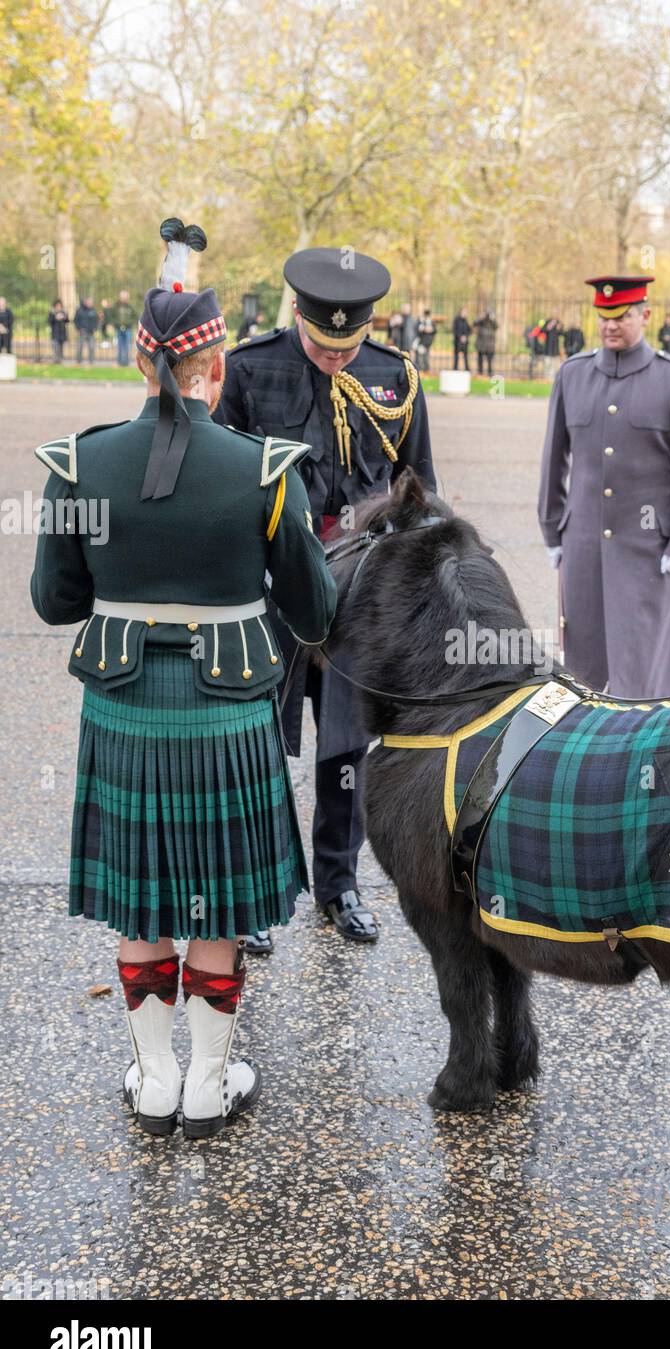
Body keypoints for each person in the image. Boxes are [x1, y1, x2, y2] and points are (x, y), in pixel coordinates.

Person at [30, 220, 337, 1138]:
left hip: (124, 708)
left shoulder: (78, 463)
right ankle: (210, 1082)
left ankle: (153, 1077)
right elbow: (315, 615)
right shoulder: (266, 470)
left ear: (139, 362)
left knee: (138, 890)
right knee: (214, 896)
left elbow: (55, 601)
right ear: (212, 370)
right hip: (228, 712)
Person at [214, 247, 436, 945]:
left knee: (346, 754)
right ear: (298, 320)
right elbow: (220, 477)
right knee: (256, 748)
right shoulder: (252, 369)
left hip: (358, 604)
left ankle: (338, 887)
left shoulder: (394, 374)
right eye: (320, 344)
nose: (335, 356)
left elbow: (416, 482)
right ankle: (255, 893)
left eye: (347, 343)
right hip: (274, 594)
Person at [538, 274, 670, 697]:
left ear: (645, 316)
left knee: (644, 659)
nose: (611, 326)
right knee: (582, 662)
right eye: (604, 317)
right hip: (582, 541)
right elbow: (553, 458)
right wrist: (552, 528)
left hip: (648, 543)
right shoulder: (573, 374)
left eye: (622, 317)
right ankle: (587, 747)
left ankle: (649, 743)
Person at [111, 290, 136, 367]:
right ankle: (119, 362)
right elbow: (112, 316)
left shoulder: (131, 307)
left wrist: (129, 323)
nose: (124, 298)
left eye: (125, 297)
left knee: (127, 346)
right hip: (118, 329)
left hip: (128, 328)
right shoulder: (115, 306)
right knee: (119, 346)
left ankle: (126, 362)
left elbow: (135, 317)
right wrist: (116, 324)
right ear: (120, 297)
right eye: (123, 297)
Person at [74, 296, 99, 365]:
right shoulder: (80, 310)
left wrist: (95, 328)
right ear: (86, 302)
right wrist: (79, 328)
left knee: (91, 347)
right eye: (89, 302)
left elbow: (97, 321)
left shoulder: (94, 311)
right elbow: (75, 320)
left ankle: (91, 362)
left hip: (91, 332)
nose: (90, 303)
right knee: (80, 347)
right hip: (82, 331)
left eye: (91, 302)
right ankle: (78, 362)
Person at [473, 308, 498, 376]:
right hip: (481, 342)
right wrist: (481, 317)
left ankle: (490, 372)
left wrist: (492, 319)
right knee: (480, 358)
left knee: (489, 359)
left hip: (489, 343)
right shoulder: (481, 320)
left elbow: (496, 326)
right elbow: (474, 323)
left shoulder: (492, 322)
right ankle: (480, 372)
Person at [415, 307, 436, 372]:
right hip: (421, 341)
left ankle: (426, 369)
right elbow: (418, 329)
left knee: (426, 356)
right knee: (419, 355)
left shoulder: (431, 322)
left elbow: (435, 330)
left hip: (428, 342)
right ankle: (419, 368)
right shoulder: (421, 321)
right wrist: (424, 328)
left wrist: (431, 329)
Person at [48, 299, 69, 363]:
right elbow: (50, 321)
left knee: (61, 348)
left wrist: (64, 317)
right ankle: (55, 360)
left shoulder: (63, 312)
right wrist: (55, 318)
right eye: (57, 305)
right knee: (55, 347)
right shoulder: (52, 313)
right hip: (55, 333)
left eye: (60, 305)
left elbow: (67, 321)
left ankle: (60, 360)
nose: (58, 307)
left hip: (62, 333)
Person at [452, 306, 471, 370]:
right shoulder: (456, 319)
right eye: (464, 312)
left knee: (465, 356)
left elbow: (469, 330)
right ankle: (455, 368)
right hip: (458, 341)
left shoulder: (466, 320)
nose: (465, 313)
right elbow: (454, 330)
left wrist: (466, 336)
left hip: (465, 341)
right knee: (456, 356)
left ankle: (467, 368)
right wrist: (460, 337)